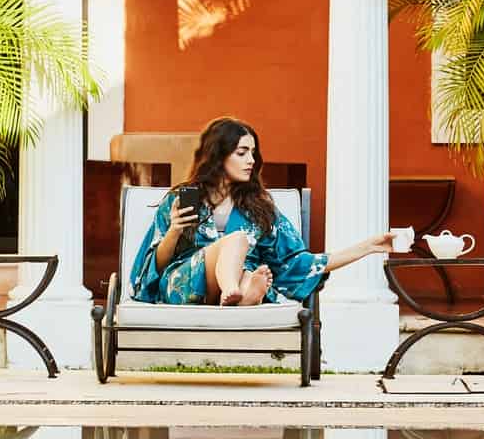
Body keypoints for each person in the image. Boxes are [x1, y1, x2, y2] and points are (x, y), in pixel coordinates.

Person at [131, 117, 394, 307]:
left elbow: (299, 263)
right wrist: (175, 231)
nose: (251, 161)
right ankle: (235, 288)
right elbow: (156, 265)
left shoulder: (260, 208)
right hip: (184, 284)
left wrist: (367, 247)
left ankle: (244, 292)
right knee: (237, 240)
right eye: (242, 152)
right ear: (218, 156)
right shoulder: (181, 200)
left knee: (250, 270)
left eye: (253, 153)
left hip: (237, 284)